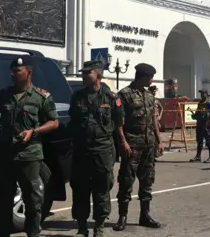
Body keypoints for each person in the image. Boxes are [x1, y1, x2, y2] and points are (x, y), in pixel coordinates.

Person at [0, 55, 60, 237]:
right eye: (12, 71)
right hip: (6, 156)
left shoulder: (41, 97)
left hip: (30, 156)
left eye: (17, 71)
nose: (13, 74)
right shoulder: (5, 95)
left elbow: (54, 122)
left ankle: (33, 234)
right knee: (3, 201)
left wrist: (34, 131)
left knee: (33, 200)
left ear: (29, 72)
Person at [69, 61, 123, 237]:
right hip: (82, 150)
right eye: (83, 73)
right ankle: (82, 227)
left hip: (102, 149)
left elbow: (119, 121)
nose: (83, 76)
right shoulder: (77, 97)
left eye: (87, 73)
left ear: (97, 75)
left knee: (102, 188)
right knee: (80, 188)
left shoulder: (111, 98)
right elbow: (73, 120)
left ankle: (99, 226)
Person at [113, 63, 162, 232]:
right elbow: (119, 122)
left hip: (149, 145)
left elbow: (154, 119)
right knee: (126, 180)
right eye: (150, 77)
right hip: (132, 144)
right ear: (142, 76)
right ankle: (122, 217)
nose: (152, 80)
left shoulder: (149, 95)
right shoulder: (124, 95)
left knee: (147, 180)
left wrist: (159, 140)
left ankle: (145, 215)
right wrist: (123, 142)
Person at [189, 89, 210, 164]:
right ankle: (198, 156)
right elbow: (198, 112)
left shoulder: (209, 103)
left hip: (206, 125)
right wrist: (194, 116)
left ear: (207, 94)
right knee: (199, 141)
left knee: (208, 141)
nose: (201, 95)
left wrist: (208, 123)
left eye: (203, 93)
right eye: (201, 93)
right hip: (199, 124)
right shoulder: (200, 103)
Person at [148, 86, 164, 160]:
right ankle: (151, 154)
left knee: (156, 139)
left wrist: (160, 116)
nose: (154, 93)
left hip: (156, 120)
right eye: (153, 91)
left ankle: (155, 154)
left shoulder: (156, 100)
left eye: (155, 91)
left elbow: (161, 108)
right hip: (150, 121)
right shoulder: (148, 99)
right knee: (151, 138)